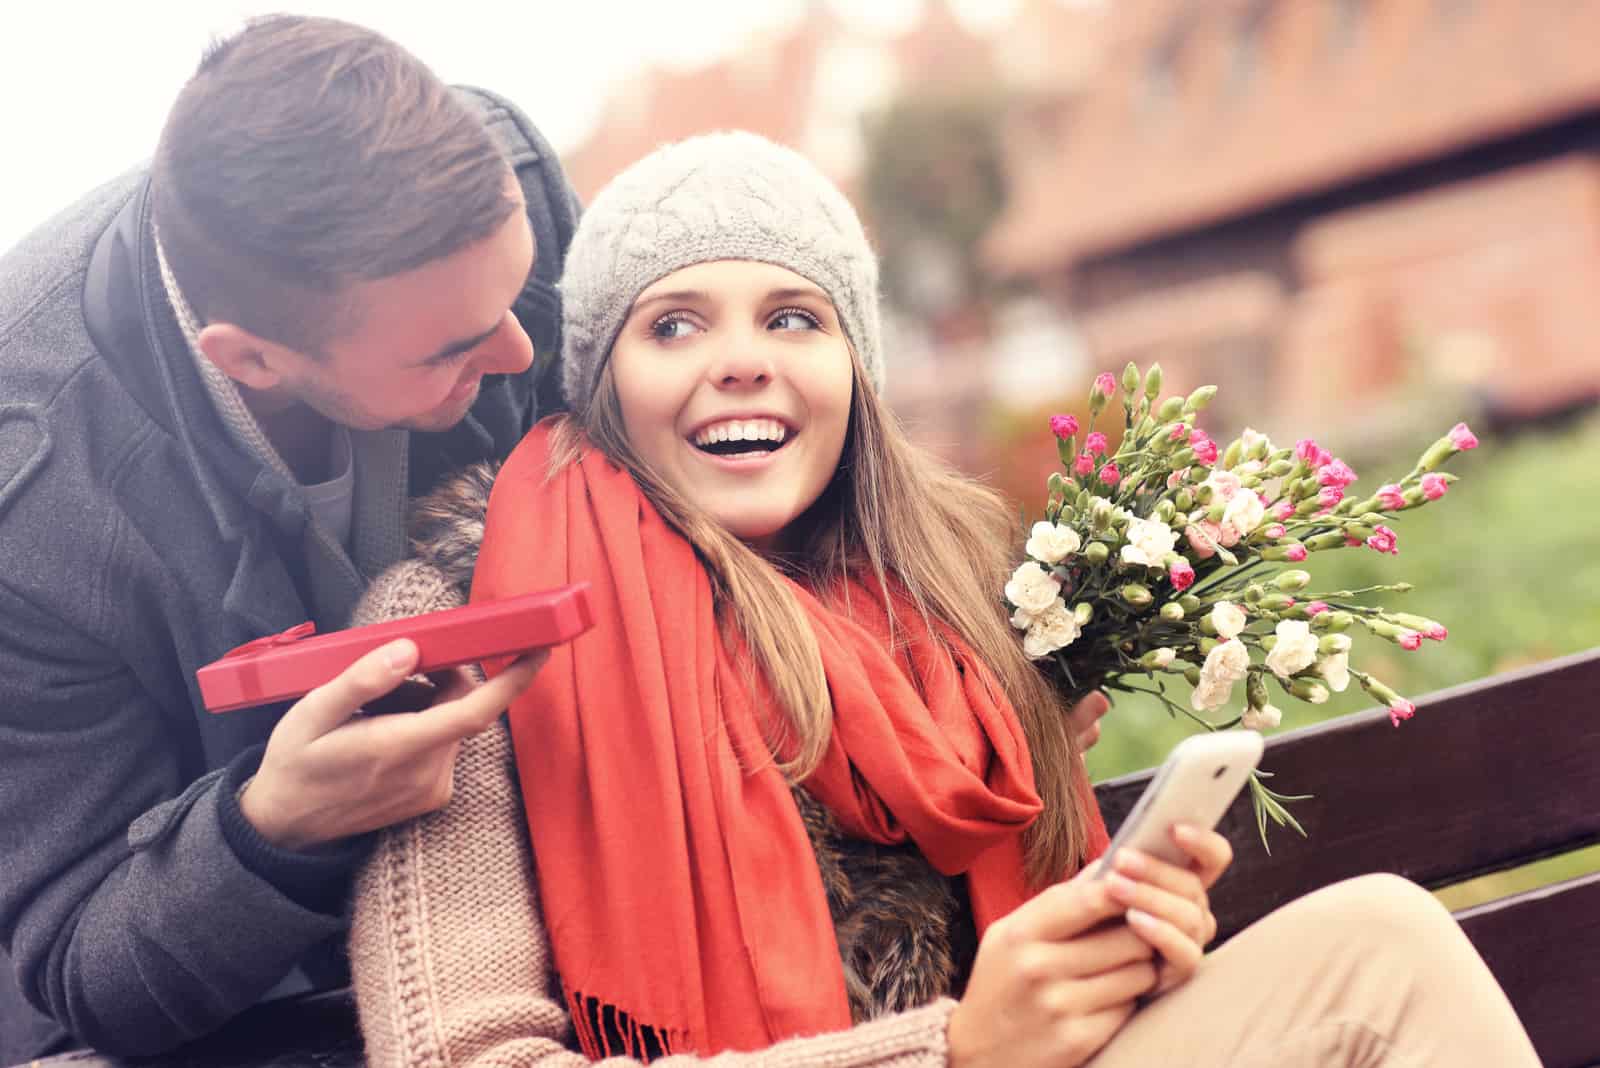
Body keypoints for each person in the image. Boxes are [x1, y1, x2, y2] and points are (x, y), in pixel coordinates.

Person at [346, 133, 1540, 1067]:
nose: (743, 359)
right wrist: (952, 1053)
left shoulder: (952, 598)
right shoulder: (462, 628)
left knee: (1377, 948)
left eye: (793, 317)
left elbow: (1025, 981)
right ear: (600, 386)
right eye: (672, 325)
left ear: (853, 372)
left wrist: (1114, 962)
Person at [0, 16, 576, 1060]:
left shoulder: (509, 179)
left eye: (518, 286)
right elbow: (80, 967)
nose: (524, 348)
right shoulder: (34, 507)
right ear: (252, 361)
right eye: (453, 349)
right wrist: (274, 832)